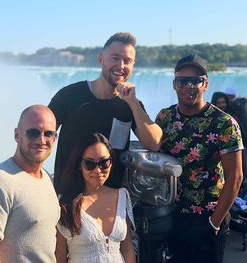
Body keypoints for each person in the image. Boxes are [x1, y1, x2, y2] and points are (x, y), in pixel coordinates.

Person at [155, 54, 244, 263]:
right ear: (174, 85)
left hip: (209, 216)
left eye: (196, 80)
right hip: (172, 214)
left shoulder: (224, 123)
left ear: (206, 84)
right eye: (183, 81)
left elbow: (236, 177)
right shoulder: (164, 118)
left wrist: (214, 223)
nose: (189, 86)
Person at [49, 32, 162, 193]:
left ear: (133, 65)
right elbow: (41, 134)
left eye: (127, 61)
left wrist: (133, 103)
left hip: (108, 202)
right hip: (68, 197)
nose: (121, 66)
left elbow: (154, 143)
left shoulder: (130, 104)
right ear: (101, 58)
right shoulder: (70, 95)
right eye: (115, 58)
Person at [0, 105, 60, 263]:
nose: (41, 140)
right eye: (33, 133)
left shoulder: (47, 179)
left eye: (48, 134)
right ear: (17, 135)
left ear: (54, 138)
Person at [55, 133, 136, 263]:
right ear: (79, 166)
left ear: (111, 162)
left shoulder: (121, 197)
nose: (98, 170)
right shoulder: (65, 204)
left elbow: (127, 249)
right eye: (89, 164)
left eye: (104, 163)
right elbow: (59, 257)